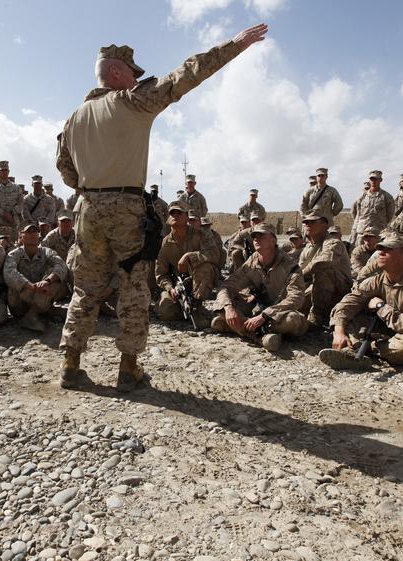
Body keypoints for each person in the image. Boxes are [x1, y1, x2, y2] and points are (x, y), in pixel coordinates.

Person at [55, 24, 268, 390]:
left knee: (85, 287)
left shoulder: (73, 118)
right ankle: (128, 368)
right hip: (125, 205)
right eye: (132, 73)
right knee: (134, 285)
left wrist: (95, 186)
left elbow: (65, 170)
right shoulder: (132, 101)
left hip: (87, 207)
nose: (136, 78)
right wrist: (233, 46)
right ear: (118, 72)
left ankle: (71, 365)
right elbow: (185, 75)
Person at [320, 233, 403, 370]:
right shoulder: (378, 280)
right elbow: (348, 303)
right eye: (380, 249)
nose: (381, 253)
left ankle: (362, 349)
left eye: (388, 250)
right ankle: (359, 350)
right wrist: (339, 332)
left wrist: (380, 306)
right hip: (388, 332)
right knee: (351, 319)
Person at [211, 222, 307, 351]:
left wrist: (264, 316)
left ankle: (235, 326)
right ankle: (261, 337)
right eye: (254, 236)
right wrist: (228, 308)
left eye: (261, 236)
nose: (256, 239)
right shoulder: (253, 261)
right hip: (257, 308)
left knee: (294, 320)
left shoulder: (289, 266)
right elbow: (228, 285)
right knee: (222, 306)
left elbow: (296, 298)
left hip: (280, 312)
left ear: (273, 240)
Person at [155, 201, 219, 322]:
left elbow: (215, 255)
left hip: (198, 280)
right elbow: (161, 273)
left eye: (179, 213)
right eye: (172, 213)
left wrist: (190, 256)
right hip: (177, 286)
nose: (175, 215)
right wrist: (170, 288)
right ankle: (185, 308)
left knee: (205, 268)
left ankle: (197, 306)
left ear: (187, 218)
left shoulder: (201, 235)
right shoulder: (165, 243)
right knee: (165, 312)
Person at [3, 223, 67, 332]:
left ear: (39, 236)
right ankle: (44, 311)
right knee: (17, 281)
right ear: (21, 236)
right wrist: (31, 287)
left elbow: (61, 265)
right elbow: (9, 272)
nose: (32, 234)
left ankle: (33, 315)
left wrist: (47, 281)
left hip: (42, 294)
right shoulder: (14, 254)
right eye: (28, 232)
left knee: (54, 274)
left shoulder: (46, 251)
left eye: (35, 231)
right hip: (20, 304)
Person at [298, 209, 352, 328]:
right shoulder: (307, 248)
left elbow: (323, 262)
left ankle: (317, 317)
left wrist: (298, 276)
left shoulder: (333, 242)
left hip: (340, 291)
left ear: (325, 225)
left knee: (323, 269)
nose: (308, 224)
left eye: (313, 222)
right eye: (306, 222)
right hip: (317, 289)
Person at [350, 171, 394, 245]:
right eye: (372, 179)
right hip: (363, 232)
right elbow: (357, 214)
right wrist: (356, 227)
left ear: (380, 180)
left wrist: (380, 223)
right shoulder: (362, 197)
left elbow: (390, 215)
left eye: (376, 179)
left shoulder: (387, 197)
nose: (373, 181)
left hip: (379, 232)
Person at [0, 161, 23, 242]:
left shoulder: (16, 188)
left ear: (8, 171)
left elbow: (21, 203)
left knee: (14, 247)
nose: (4, 172)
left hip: (13, 223)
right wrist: (4, 214)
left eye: (6, 170)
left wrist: (12, 213)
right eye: (2, 170)